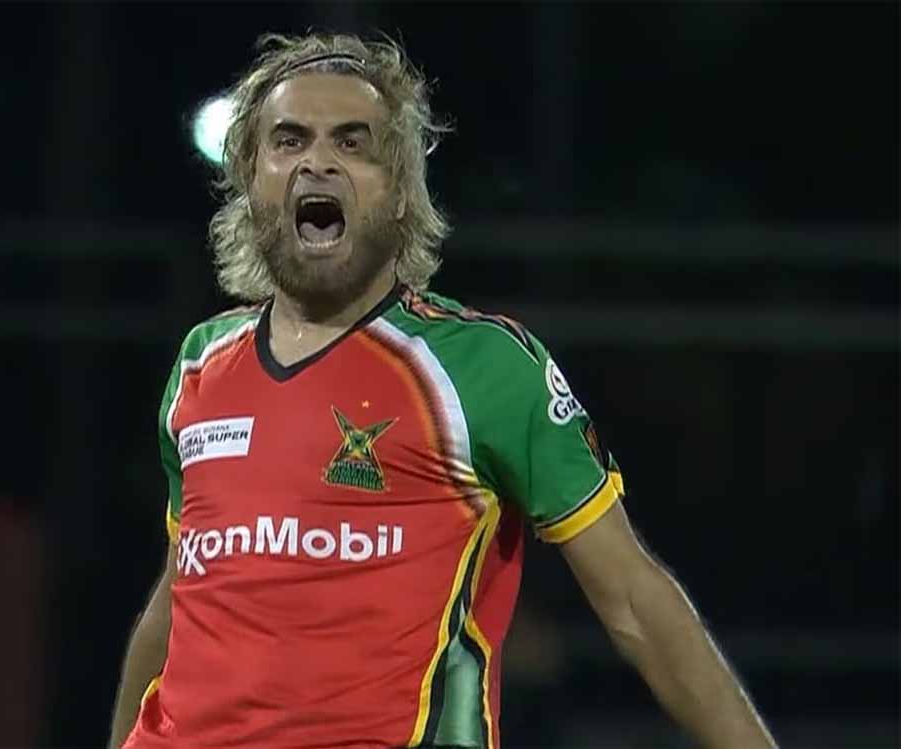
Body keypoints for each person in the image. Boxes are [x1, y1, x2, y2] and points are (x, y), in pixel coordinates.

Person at [108, 32, 777, 749]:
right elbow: (180, 600)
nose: (318, 161)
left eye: (353, 142)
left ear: (400, 190)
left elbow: (635, 602)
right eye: (289, 139)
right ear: (250, 177)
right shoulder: (201, 363)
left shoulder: (484, 368)